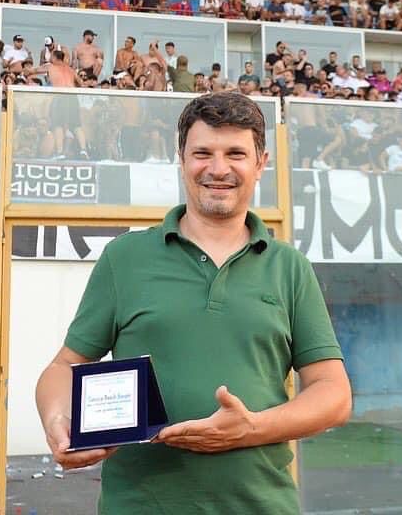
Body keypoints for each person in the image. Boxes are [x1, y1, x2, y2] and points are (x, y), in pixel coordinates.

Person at [35, 92, 350, 514]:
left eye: (235, 153)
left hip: (262, 506)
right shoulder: (125, 258)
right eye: (203, 153)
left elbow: (334, 392)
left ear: (260, 163)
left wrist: (250, 429)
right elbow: (63, 367)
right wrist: (58, 422)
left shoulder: (289, 267)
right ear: (181, 159)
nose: (218, 169)